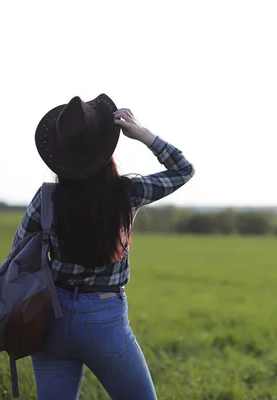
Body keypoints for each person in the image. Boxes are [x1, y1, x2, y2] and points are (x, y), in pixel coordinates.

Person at [12, 94, 195, 399]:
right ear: (105, 150)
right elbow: (183, 170)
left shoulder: (46, 199)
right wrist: (143, 134)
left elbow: (18, 254)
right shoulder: (127, 193)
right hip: (104, 319)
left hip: (49, 318)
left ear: (60, 155)